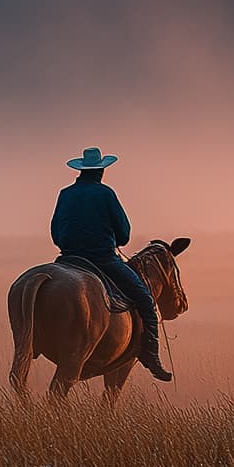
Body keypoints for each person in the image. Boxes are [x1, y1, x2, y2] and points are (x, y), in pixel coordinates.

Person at [50, 147, 171, 382]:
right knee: (145, 299)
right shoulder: (106, 194)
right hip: (102, 259)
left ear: (81, 171)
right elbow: (124, 235)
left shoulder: (65, 193)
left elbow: (55, 234)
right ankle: (151, 356)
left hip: (68, 258)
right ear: (101, 171)